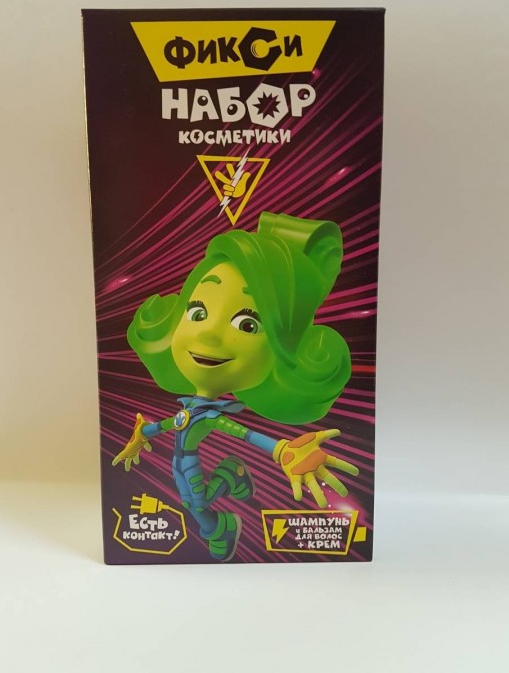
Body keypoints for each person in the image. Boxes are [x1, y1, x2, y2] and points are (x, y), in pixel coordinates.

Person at [112, 212, 358, 561]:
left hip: (189, 462)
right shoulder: (190, 407)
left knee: (195, 503)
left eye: (247, 324)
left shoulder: (211, 415)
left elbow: (242, 433)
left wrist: (282, 451)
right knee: (189, 497)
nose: (208, 333)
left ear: (282, 350)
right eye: (197, 312)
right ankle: (232, 476)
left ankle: (220, 522)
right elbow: (174, 424)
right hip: (181, 462)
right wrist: (143, 433)